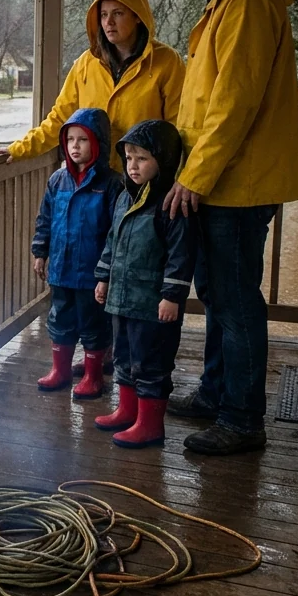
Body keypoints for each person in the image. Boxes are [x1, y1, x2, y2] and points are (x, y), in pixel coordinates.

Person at [161, 0, 298, 455]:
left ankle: (243, 419)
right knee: (220, 295)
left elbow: (233, 104)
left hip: (235, 184)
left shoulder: (247, 0)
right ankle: (217, 394)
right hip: (222, 181)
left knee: (237, 301)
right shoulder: (228, 0)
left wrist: (194, 178)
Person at [0, 0, 183, 170]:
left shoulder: (167, 62)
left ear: (138, 16)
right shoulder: (86, 63)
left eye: (118, 13)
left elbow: (179, 127)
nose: (109, 22)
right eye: (103, 15)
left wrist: (177, 180)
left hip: (144, 185)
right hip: (94, 183)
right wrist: (20, 149)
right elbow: (61, 118)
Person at [93, 120, 196, 449]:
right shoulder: (125, 196)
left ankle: (150, 425)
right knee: (123, 356)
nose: (132, 166)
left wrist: (171, 296)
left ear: (163, 161)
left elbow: (180, 255)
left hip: (152, 305)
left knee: (151, 362)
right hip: (122, 299)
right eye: (128, 158)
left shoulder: (170, 203)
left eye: (142, 159)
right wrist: (104, 277)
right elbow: (113, 240)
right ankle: (127, 410)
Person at [31, 107, 120, 399]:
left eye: (83, 140)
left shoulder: (111, 185)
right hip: (61, 268)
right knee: (60, 319)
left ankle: (94, 376)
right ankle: (62, 370)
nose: (75, 146)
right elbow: (45, 219)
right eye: (70, 140)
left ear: (98, 144)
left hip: (92, 273)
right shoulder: (58, 180)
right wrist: (40, 251)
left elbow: (115, 232)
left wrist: (106, 272)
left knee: (93, 323)